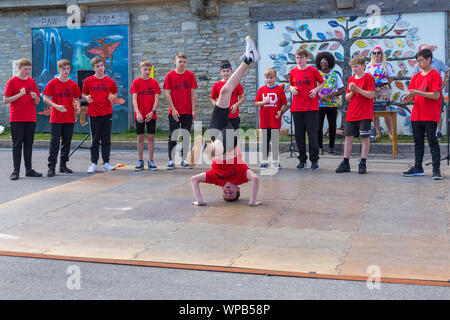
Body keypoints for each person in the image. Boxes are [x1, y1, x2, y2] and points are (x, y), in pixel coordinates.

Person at [190, 36, 261, 206]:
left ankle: (249, 59)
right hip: (229, 139)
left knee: (224, 91)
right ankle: (204, 147)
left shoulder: (216, 179)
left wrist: (199, 200)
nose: (228, 191)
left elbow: (194, 179)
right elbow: (256, 179)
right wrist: (252, 201)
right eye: (232, 193)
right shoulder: (241, 176)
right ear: (238, 189)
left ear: (222, 189)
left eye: (226, 194)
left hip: (216, 130)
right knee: (215, 151)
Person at [401, 48, 442, 180]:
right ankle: (418, 168)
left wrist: (417, 92)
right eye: (417, 61)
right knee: (418, 143)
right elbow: (412, 96)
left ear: (429, 59)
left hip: (430, 115)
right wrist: (407, 98)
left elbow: (436, 95)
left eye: (421, 60)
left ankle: (436, 170)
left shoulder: (435, 75)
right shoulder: (416, 77)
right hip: (416, 115)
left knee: (432, 142)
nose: (418, 63)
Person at [3, 58, 42, 180]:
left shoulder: (32, 82)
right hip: (17, 118)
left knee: (29, 145)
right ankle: (16, 171)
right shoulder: (12, 81)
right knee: (17, 144)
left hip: (30, 118)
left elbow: (37, 101)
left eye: (29, 69)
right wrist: (20, 94)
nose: (28, 71)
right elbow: (5, 100)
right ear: (19, 68)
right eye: (26, 69)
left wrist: (36, 97)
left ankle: (29, 170)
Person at [336, 56, 375, 174]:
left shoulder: (369, 78)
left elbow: (370, 95)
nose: (354, 69)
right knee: (348, 137)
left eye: (356, 66)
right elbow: (347, 97)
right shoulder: (351, 79)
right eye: (352, 67)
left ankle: (363, 162)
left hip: (364, 112)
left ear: (363, 66)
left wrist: (357, 89)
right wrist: (352, 91)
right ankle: (345, 161)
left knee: (364, 137)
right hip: (352, 112)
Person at [42, 59, 81, 177]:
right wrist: (56, 106)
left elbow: (77, 99)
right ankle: (51, 167)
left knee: (66, 142)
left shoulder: (73, 84)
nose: (66, 71)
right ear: (59, 69)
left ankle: (63, 166)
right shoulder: (52, 83)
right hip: (56, 118)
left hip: (69, 118)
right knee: (54, 142)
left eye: (68, 69)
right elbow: (45, 98)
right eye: (64, 69)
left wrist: (78, 106)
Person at [289, 48, 325, 171]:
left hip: (311, 107)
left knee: (312, 134)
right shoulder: (293, 71)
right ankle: (302, 160)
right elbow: (291, 84)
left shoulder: (313, 70)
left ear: (306, 58)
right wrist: (291, 88)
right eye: (297, 58)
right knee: (299, 135)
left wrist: (315, 90)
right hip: (297, 108)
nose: (299, 60)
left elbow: (322, 83)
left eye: (301, 57)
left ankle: (314, 160)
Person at [82, 56, 118, 173]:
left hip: (107, 113)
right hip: (94, 113)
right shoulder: (88, 81)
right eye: (98, 66)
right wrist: (86, 98)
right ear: (94, 68)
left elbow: (114, 94)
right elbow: (83, 94)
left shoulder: (110, 81)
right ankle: (94, 163)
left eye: (102, 65)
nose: (100, 68)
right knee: (95, 139)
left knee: (106, 138)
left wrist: (113, 97)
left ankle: (106, 163)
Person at [164, 52, 198, 170]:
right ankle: (171, 160)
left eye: (184, 62)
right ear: (175, 62)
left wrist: (193, 109)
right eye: (180, 61)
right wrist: (173, 109)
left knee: (186, 136)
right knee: (173, 136)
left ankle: (183, 160)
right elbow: (167, 93)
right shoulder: (170, 76)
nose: (182, 64)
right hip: (174, 111)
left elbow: (193, 93)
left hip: (187, 111)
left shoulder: (190, 75)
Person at [412, 44, 449, 141]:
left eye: (428, 50)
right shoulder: (418, 63)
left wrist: (444, 82)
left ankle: (438, 132)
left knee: (438, 112)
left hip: (435, 91)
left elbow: (447, 70)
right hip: (422, 92)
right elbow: (413, 75)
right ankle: (426, 132)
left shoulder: (438, 62)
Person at [130, 59, 161, 171]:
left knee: (151, 137)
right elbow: (134, 99)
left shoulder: (154, 83)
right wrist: (138, 113)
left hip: (151, 114)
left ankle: (151, 161)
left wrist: (152, 112)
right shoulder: (136, 82)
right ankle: (140, 161)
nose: (147, 71)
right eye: (145, 69)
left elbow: (156, 99)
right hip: (140, 114)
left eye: (149, 69)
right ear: (140, 69)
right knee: (140, 137)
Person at [255, 68, 288, 169]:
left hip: (275, 119)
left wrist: (281, 111)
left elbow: (284, 104)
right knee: (265, 140)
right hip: (265, 119)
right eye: (267, 78)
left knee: (274, 140)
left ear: (275, 78)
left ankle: (275, 161)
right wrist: (263, 102)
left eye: (271, 78)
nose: (269, 80)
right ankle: (265, 161)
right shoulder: (261, 89)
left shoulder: (279, 90)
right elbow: (256, 103)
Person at [315, 52, 345, 155]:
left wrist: (332, 95)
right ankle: (320, 148)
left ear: (330, 63)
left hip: (332, 105)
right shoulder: (316, 74)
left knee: (332, 126)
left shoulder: (335, 75)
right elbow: (312, 89)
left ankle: (331, 148)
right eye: (321, 62)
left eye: (325, 62)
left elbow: (341, 90)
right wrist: (320, 96)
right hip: (319, 104)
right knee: (318, 127)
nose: (323, 63)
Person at [365, 46, 394, 140]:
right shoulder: (369, 65)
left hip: (384, 88)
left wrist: (385, 85)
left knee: (386, 110)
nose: (376, 55)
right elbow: (366, 77)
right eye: (374, 53)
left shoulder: (386, 64)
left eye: (378, 53)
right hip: (373, 89)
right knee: (374, 111)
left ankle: (390, 132)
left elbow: (390, 77)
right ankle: (378, 132)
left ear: (382, 54)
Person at [210, 60, 245, 130]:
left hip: (233, 116)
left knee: (234, 138)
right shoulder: (216, 85)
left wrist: (236, 105)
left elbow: (242, 97)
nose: (226, 73)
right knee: (222, 138)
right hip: (221, 117)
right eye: (224, 71)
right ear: (220, 72)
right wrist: (217, 106)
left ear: (231, 71)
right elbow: (212, 98)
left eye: (227, 71)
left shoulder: (236, 84)